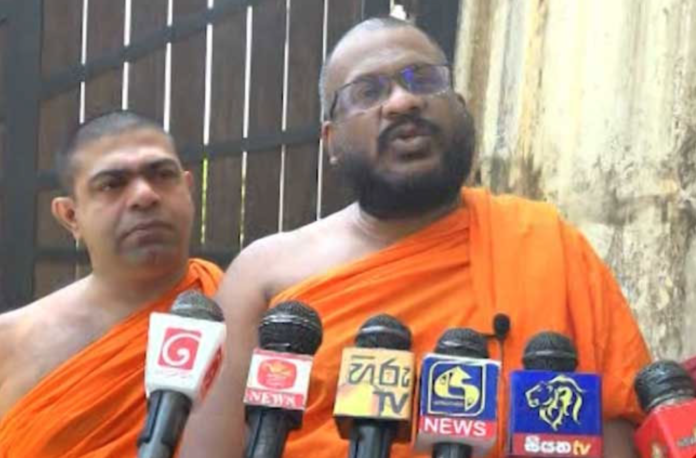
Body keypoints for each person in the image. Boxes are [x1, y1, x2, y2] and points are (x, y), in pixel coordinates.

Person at [179, 17, 651, 458]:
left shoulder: (548, 246)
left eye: (423, 79)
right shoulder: (264, 274)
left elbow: (617, 429)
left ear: (459, 106)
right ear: (331, 139)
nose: (403, 101)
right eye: (368, 91)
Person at [0, 111, 222, 457]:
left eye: (163, 175)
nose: (145, 195)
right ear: (70, 216)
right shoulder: (10, 342)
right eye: (112, 184)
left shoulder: (246, 313)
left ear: (188, 190)